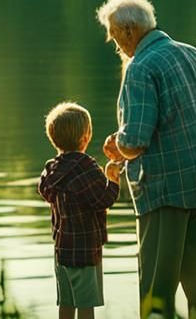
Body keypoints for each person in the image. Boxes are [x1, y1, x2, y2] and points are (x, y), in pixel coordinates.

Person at [95, 0, 196, 319]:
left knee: (156, 292)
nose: (115, 44)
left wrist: (113, 145)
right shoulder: (190, 53)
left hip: (166, 193)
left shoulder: (140, 68)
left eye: (114, 36)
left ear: (130, 32)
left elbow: (135, 142)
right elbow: (194, 110)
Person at [39, 101, 123, 319]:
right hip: (85, 252)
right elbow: (103, 199)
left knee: (66, 304)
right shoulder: (86, 167)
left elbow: (43, 190)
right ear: (86, 137)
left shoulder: (51, 169)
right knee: (86, 306)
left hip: (62, 252)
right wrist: (112, 178)